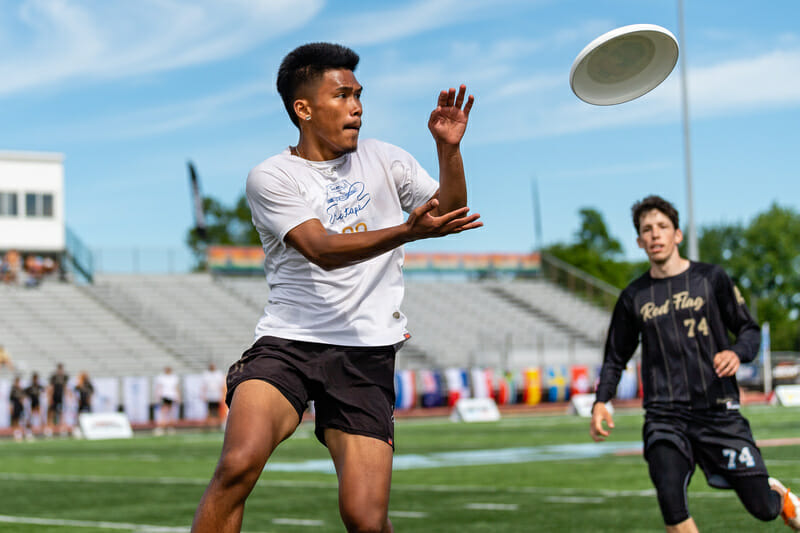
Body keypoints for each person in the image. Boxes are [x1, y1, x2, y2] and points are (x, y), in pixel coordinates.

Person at [191, 42, 481, 533]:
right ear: (303, 109)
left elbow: (447, 211)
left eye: (359, 94)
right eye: (342, 95)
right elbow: (321, 249)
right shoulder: (272, 176)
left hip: (366, 352)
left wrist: (448, 151)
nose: (357, 107)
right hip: (288, 342)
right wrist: (407, 232)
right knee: (238, 463)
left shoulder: (387, 159)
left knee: (366, 519)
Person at [590, 195, 799, 532]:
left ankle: (778, 495)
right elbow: (616, 355)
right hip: (664, 417)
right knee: (671, 501)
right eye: (647, 230)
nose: (655, 234)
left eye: (662, 227)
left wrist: (736, 353)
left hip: (719, 413)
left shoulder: (711, 278)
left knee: (762, 508)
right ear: (640, 241)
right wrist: (601, 400)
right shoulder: (634, 297)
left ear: (678, 235)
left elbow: (748, 330)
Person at [154, 366, 180, 435]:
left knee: (171, 412)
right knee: (163, 412)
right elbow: (158, 387)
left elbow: (176, 387)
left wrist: (178, 396)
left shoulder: (174, 377)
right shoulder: (161, 377)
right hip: (164, 395)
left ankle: (170, 427)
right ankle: (161, 427)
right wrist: (158, 396)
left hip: (171, 396)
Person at [202, 363, 226, 429]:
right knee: (210, 411)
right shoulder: (206, 374)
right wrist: (204, 395)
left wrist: (222, 395)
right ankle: (209, 425)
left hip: (217, 396)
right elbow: (204, 386)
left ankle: (218, 424)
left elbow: (222, 386)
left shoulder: (218, 374)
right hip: (209, 395)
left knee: (217, 411)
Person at [48, 363, 70, 435]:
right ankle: (51, 427)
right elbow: (51, 387)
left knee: (60, 412)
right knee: (52, 412)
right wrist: (50, 397)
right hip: (54, 396)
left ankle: (61, 427)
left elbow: (65, 387)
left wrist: (67, 396)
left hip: (61, 397)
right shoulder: (54, 377)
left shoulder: (64, 377)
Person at [25, 372, 45, 437]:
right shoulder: (30, 387)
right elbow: (25, 394)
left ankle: (40, 431)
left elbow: (44, 391)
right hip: (31, 403)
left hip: (38, 403)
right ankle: (29, 431)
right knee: (30, 417)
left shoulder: (39, 387)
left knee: (40, 417)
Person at [9, 376, 26, 442]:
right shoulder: (13, 389)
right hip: (15, 406)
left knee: (20, 420)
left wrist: (22, 399)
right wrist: (11, 408)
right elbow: (11, 400)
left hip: (20, 406)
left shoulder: (21, 390)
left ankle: (19, 433)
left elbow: (24, 397)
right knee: (15, 420)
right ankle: (15, 433)